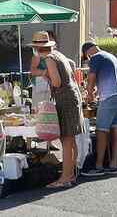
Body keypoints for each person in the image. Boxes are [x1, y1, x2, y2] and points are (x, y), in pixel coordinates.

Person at [30, 31, 84, 188]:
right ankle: (71, 174)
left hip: (65, 99)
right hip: (72, 97)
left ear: (36, 48)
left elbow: (57, 82)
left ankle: (65, 177)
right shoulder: (58, 55)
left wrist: (47, 75)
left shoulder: (49, 59)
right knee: (71, 140)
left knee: (66, 140)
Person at [81, 41, 117, 177]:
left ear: (87, 52)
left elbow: (91, 78)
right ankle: (113, 164)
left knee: (101, 131)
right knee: (115, 130)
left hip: (108, 97)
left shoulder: (95, 57)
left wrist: (88, 94)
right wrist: (94, 92)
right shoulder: (111, 56)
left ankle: (99, 166)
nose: (88, 60)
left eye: (86, 57)